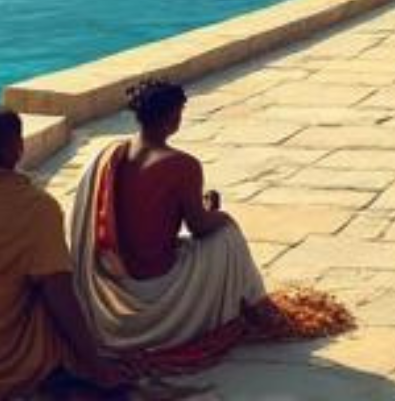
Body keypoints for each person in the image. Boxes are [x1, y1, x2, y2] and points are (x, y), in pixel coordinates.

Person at [70, 78, 351, 367]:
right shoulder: (181, 164)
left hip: (118, 274)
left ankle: (241, 304)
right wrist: (216, 212)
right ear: (172, 118)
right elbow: (200, 227)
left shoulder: (109, 154)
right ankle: (248, 309)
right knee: (227, 233)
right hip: (156, 276)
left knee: (217, 230)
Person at [0, 105, 128, 397]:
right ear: (17, 147)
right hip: (1, 357)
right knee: (55, 282)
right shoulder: (36, 208)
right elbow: (58, 294)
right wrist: (96, 364)